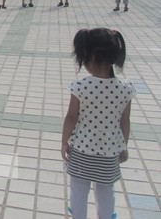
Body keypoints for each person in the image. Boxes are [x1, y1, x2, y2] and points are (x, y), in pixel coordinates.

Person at [61, 28, 135, 219]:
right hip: (109, 152)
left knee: (79, 188)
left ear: (88, 59)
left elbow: (71, 117)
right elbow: (125, 121)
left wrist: (64, 141)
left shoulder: (80, 86)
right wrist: (123, 147)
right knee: (106, 189)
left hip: (81, 150)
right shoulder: (126, 88)